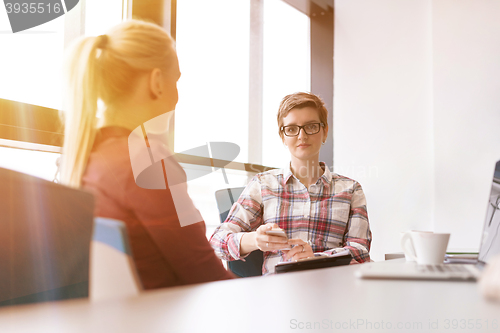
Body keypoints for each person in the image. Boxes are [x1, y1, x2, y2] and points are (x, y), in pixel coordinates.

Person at [59, 19, 233, 289]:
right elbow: (207, 276)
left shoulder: (84, 157)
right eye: (175, 80)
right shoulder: (146, 162)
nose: (177, 96)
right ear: (156, 82)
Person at [210, 92, 372, 275]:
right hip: (276, 294)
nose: (302, 135)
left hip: (331, 289)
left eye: (311, 126)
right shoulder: (263, 185)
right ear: (283, 136)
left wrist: (318, 259)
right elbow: (217, 242)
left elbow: (361, 253)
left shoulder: (351, 189)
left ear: (325, 131)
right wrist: (255, 239)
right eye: (292, 128)